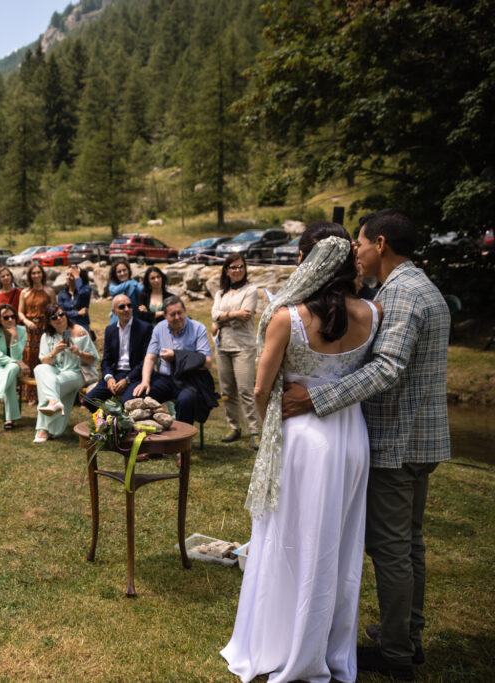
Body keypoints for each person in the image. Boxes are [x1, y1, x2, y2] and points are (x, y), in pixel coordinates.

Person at [281, 210, 450, 680]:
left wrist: (317, 397)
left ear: (380, 243)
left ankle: (397, 652)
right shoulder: (419, 286)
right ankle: (407, 633)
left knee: (391, 547)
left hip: (400, 439)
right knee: (409, 543)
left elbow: (387, 368)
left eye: (360, 242)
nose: (355, 250)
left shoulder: (400, 294)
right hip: (424, 438)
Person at [221, 223, 380, 683]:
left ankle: (277, 642)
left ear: (312, 264)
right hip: (351, 436)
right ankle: (327, 646)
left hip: (302, 438)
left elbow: (260, 388)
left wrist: (273, 421)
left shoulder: (286, 317)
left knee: (290, 536)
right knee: (337, 542)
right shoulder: (373, 312)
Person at [134, 296, 215, 427]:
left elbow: (207, 362)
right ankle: (151, 436)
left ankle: (182, 441)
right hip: (165, 378)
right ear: (165, 315)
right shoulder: (159, 328)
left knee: (186, 400)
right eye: (172, 314)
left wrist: (176, 357)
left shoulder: (198, 328)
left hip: (189, 379)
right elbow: (150, 357)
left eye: (180, 313)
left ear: (185, 311)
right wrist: (145, 381)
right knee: (143, 396)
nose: (177, 317)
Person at [212, 254, 260, 448]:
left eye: (241, 267)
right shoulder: (220, 293)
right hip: (223, 346)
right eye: (233, 267)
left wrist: (222, 319)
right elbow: (214, 315)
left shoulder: (251, 290)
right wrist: (233, 315)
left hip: (243, 347)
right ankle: (234, 426)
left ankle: (254, 430)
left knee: (245, 390)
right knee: (227, 390)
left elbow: (246, 315)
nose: (237, 270)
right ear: (226, 270)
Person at [33, 303, 98, 443]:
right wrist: (54, 352)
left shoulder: (80, 332)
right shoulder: (47, 336)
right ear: (49, 322)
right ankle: (54, 402)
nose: (59, 318)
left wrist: (78, 352)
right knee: (39, 369)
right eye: (54, 317)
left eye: (61, 314)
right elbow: (44, 361)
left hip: (77, 372)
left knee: (49, 387)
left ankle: (43, 429)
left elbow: (93, 359)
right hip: (56, 371)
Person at [84, 294, 152, 409]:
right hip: (115, 374)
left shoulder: (145, 328)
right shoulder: (110, 330)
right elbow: (106, 360)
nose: (127, 309)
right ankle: (108, 423)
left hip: (136, 375)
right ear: (114, 312)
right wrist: (109, 378)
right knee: (89, 400)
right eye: (122, 307)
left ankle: (118, 423)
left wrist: (127, 380)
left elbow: (146, 360)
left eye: (129, 306)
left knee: (126, 403)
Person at [0, 302, 29, 430]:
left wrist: (14, 337)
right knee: (10, 374)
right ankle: (9, 419)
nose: (10, 320)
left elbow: (17, 355)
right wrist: (18, 363)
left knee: (11, 369)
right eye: (6, 317)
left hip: (14, 365)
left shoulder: (21, 330)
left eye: (12, 316)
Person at [18, 263, 53, 404]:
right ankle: (31, 394)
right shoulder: (24, 292)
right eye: (33, 273)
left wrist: (48, 324)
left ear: (42, 274)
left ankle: (44, 393)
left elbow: (53, 310)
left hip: (45, 329)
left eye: (39, 272)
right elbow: (20, 312)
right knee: (30, 359)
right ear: (29, 276)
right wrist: (27, 322)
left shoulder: (49, 291)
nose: (36, 275)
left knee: (44, 360)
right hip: (30, 329)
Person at [107, 259, 142, 325]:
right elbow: (113, 291)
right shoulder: (113, 284)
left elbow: (142, 291)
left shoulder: (134, 284)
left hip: (131, 322)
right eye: (119, 271)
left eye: (124, 270)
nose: (122, 273)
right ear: (115, 274)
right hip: (115, 322)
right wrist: (128, 283)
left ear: (128, 270)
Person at [57, 265, 91, 330]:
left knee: (81, 340)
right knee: (66, 340)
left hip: (82, 326)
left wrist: (77, 276)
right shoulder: (62, 293)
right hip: (66, 326)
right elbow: (61, 313)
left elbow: (82, 292)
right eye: (67, 274)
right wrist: (77, 313)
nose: (68, 277)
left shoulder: (86, 289)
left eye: (72, 275)